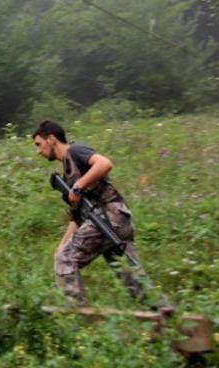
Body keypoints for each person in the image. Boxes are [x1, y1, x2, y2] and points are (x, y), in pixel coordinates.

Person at [32, 120, 148, 306]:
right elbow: (77, 217)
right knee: (134, 280)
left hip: (108, 218)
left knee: (66, 260)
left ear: (51, 139)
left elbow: (104, 163)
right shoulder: (67, 174)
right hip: (116, 221)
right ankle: (163, 313)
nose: (38, 151)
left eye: (39, 144)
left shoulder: (76, 151)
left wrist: (78, 187)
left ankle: (76, 315)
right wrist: (62, 245)